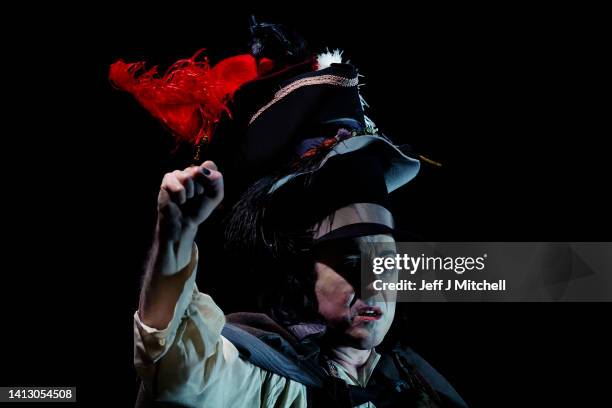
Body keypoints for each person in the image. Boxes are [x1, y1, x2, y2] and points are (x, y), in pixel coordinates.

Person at [114, 18, 467, 407]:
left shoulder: (418, 386)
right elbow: (175, 370)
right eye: (352, 262)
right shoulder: (258, 378)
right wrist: (175, 238)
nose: (374, 285)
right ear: (301, 273)